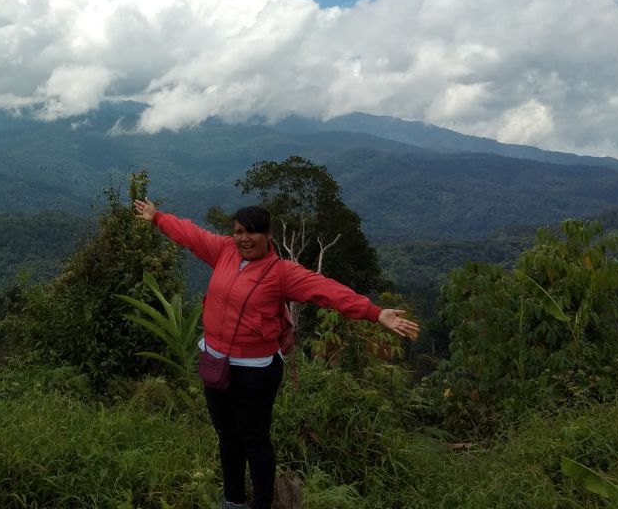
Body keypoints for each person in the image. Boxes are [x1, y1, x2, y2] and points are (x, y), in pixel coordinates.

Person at [133, 198, 419, 509]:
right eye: (240, 231)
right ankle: (233, 501)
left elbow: (327, 290)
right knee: (227, 436)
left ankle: (263, 502)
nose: (245, 238)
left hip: (255, 370)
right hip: (216, 361)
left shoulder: (281, 272)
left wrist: (375, 313)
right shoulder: (225, 250)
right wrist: (157, 217)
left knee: (253, 439)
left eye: (253, 232)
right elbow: (191, 234)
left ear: (269, 235)